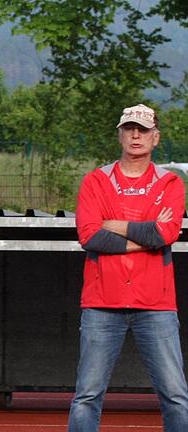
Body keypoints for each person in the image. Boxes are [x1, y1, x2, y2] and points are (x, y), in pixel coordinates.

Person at [68, 104, 188, 431]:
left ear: (156, 137)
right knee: (87, 395)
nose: (137, 135)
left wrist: (115, 224)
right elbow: (90, 236)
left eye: (144, 130)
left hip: (156, 304)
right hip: (101, 303)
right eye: (130, 128)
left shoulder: (170, 184)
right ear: (120, 135)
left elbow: (167, 233)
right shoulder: (96, 180)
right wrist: (147, 235)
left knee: (175, 395)